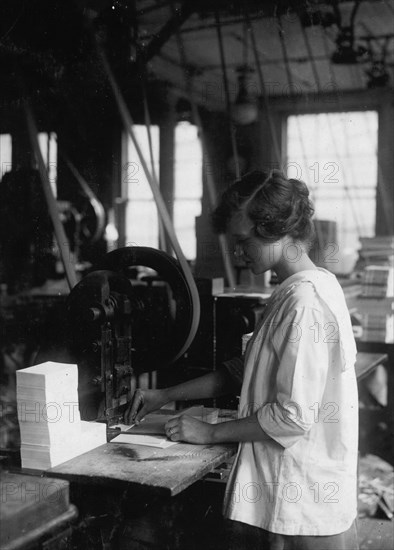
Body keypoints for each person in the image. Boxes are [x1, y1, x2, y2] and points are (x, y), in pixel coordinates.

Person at [124, 170, 359, 550]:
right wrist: (163, 395)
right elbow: (242, 369)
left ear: (276, 229)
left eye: (242, 241)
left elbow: (292, 417)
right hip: (287, 490)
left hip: (302, 503)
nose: (237, 252)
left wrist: (210, 432)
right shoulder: (304, 287)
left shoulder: (305, 304)